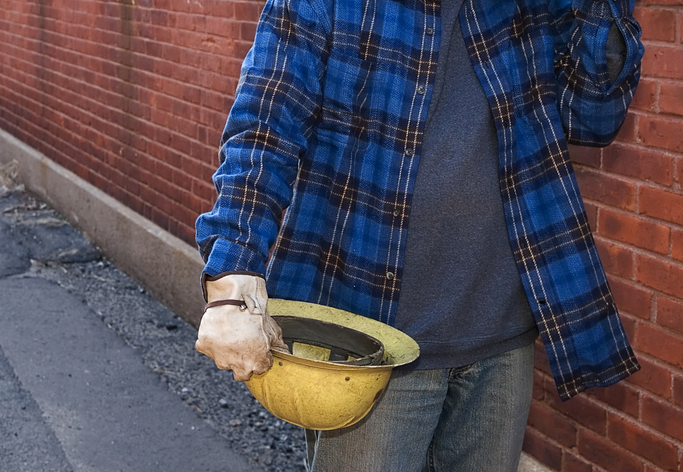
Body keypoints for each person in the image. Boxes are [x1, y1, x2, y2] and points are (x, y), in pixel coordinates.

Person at [193, 0, 643, 470]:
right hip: (369, 339)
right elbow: (265, 129)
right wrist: (233, 278)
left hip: (501, 338)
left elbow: (592, 119)